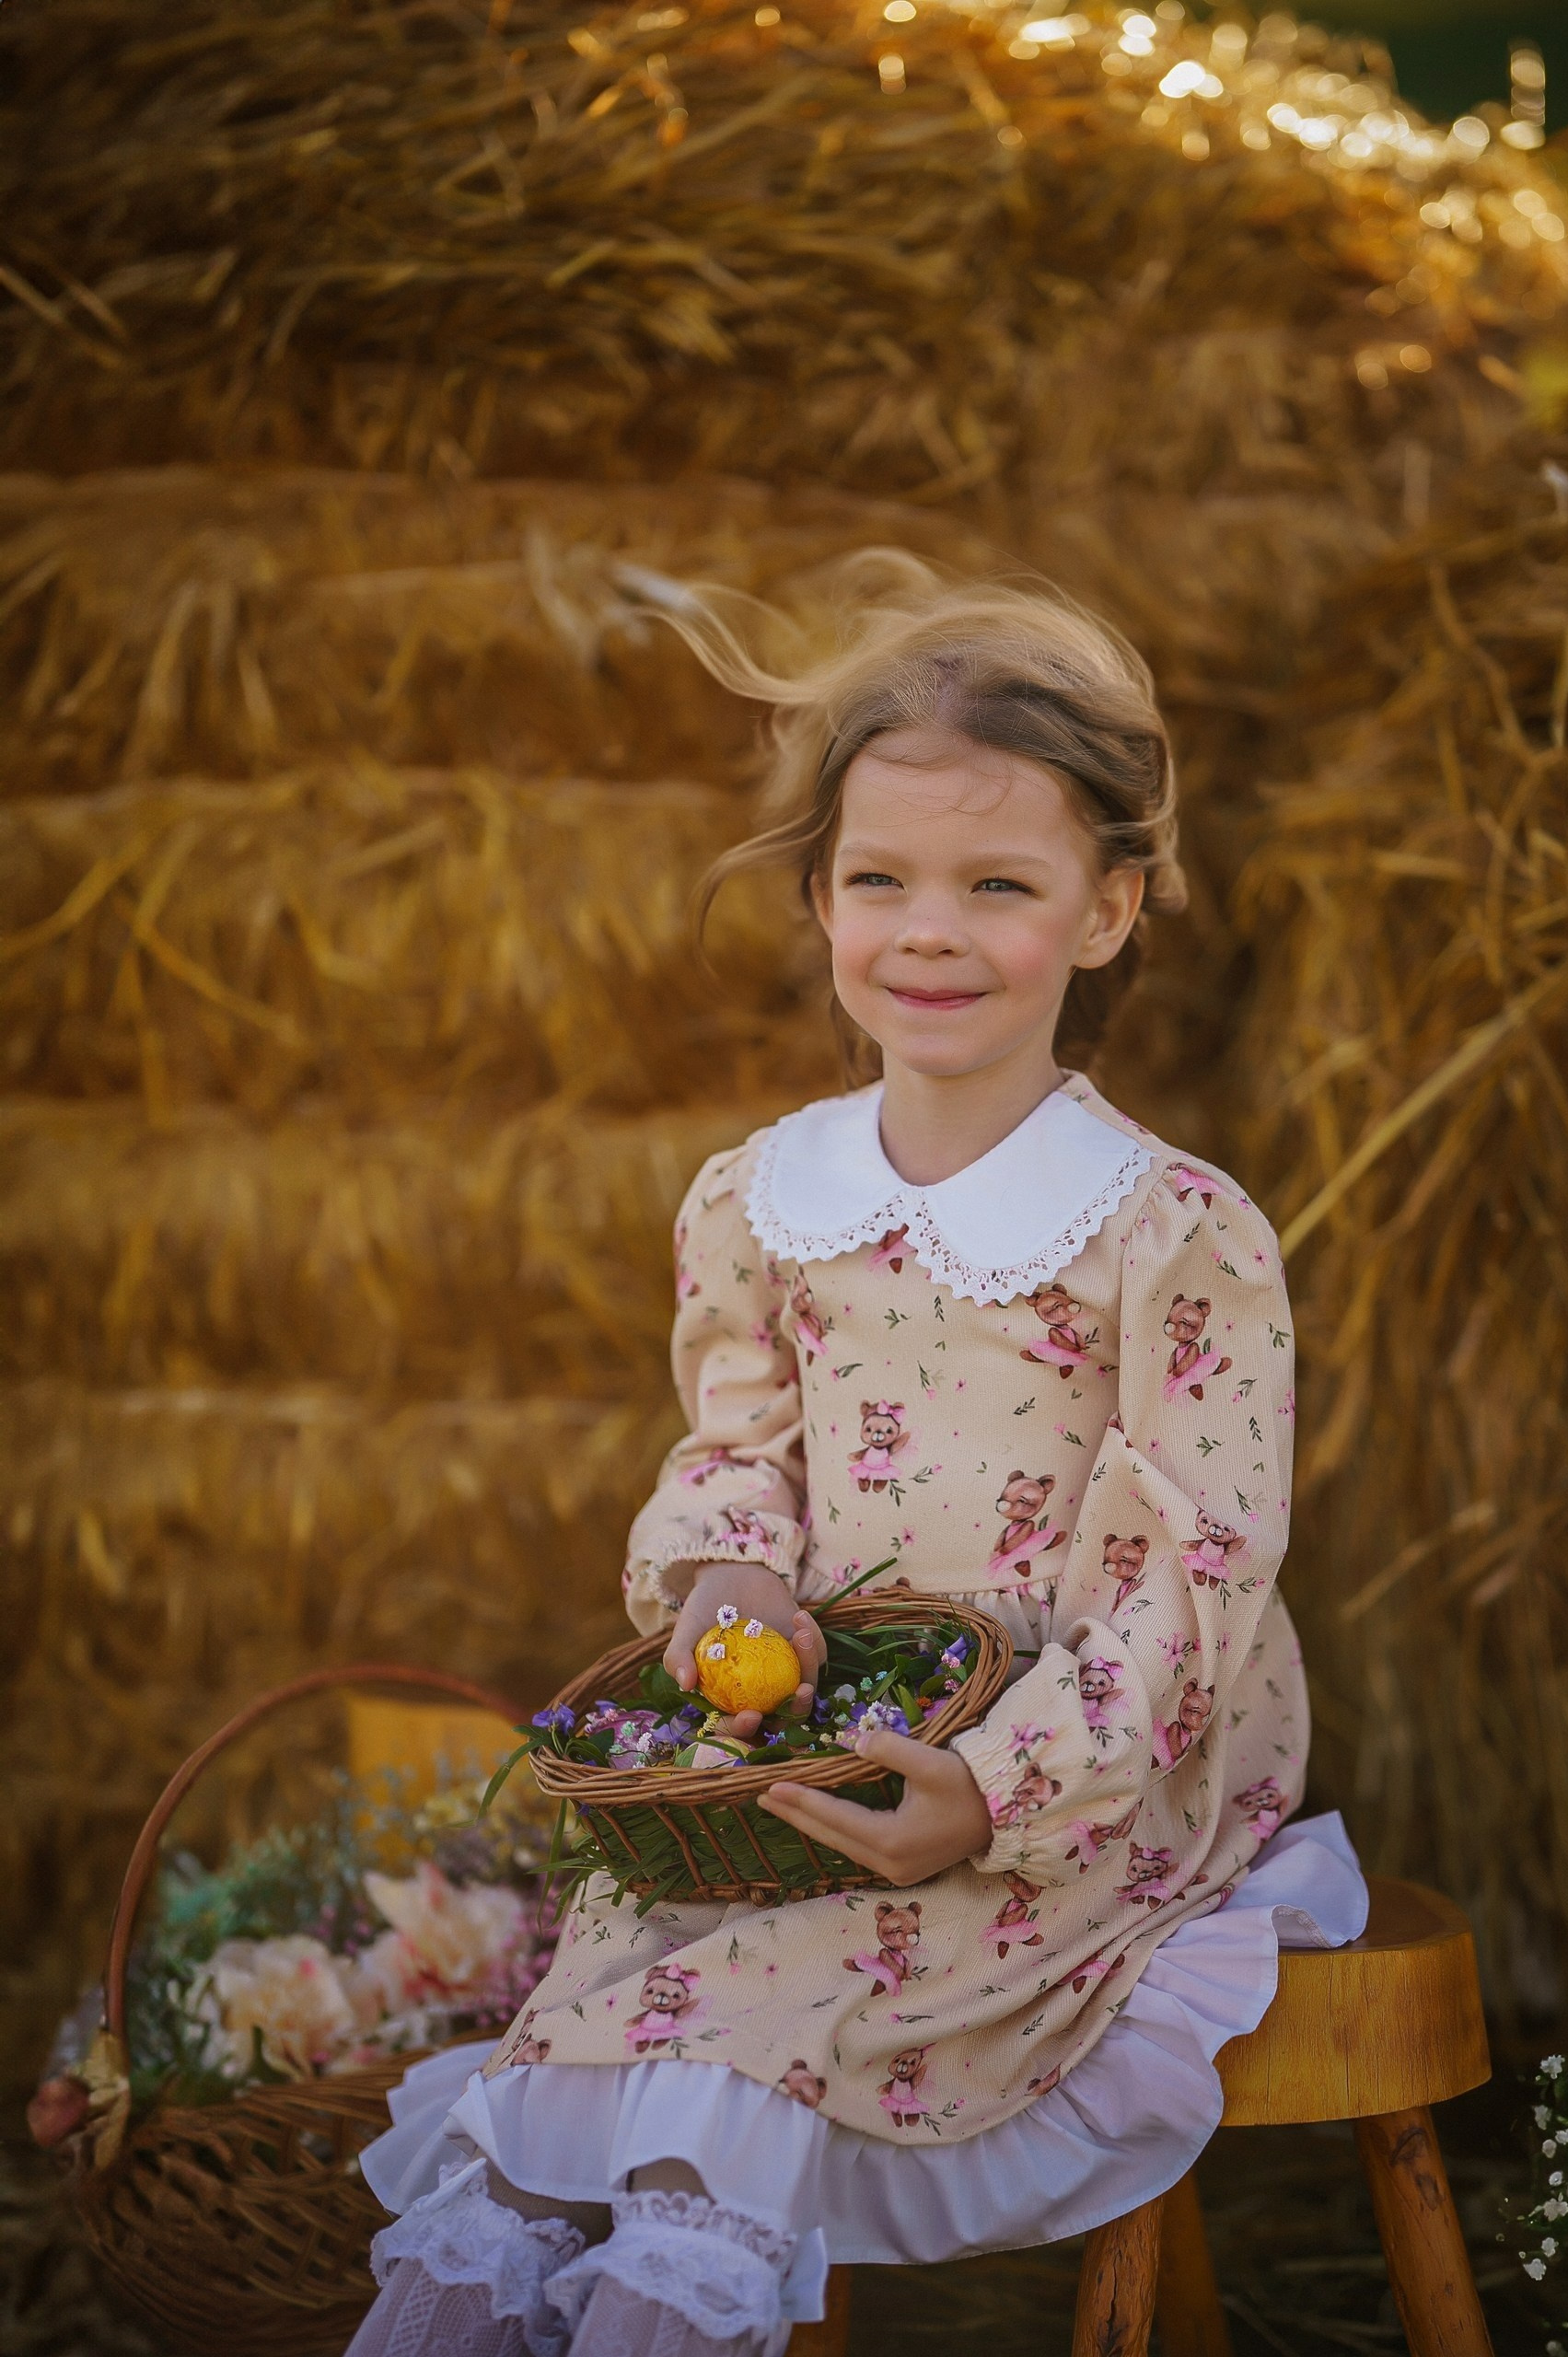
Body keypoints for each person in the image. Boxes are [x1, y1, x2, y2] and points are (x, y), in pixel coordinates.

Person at [348, 557, 1366, 2357]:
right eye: (879, 879)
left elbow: (1189, 1571)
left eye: (999, 885)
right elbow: (736, 1448)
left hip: (1074, 1768)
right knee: (549, 2111)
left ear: (1110, 908)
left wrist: (1005, 1778)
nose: (929, 931)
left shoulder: (1172, 1230)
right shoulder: (763, 1198)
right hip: (814, 1749)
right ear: (820, 898)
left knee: (715, 2082)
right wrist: (727, 1574)